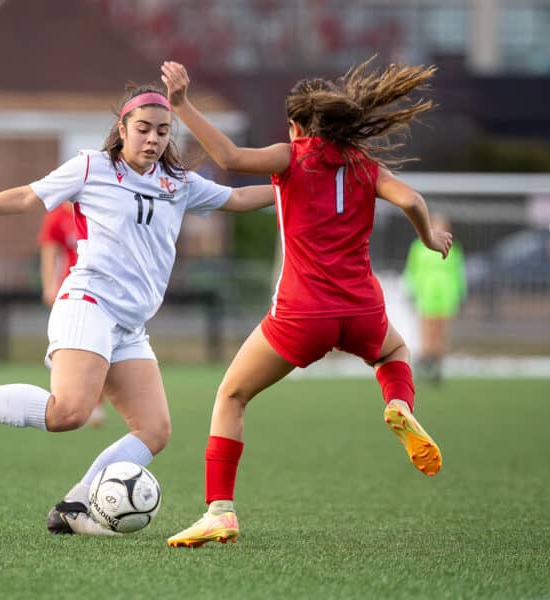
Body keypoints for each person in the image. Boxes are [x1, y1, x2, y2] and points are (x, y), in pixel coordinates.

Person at [0, 85, 275, 536]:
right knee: (69, 413)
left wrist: (295, 186)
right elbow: (25, 197)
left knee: (154, 430)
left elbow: (238, 199)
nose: (153, 139)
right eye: (143, 129)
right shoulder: (93, 167)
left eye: (162, 131)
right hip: (88, 303)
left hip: (130, 325)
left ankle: (74, 504)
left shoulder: (178, 183)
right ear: (122, 129)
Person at [160, 59, 452, 548]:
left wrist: (182, 104)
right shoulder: (364, 165)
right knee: (394, 353)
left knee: (231, 396)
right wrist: (427, 237)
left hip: (302, 315)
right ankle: (398, 404)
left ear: (296, 125)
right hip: (361, 311)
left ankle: (219, 511)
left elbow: (229, 156)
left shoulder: (290, 156)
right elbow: (412, 201)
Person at [38, 204, 106, 427]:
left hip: (102, 293)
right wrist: (49, 286)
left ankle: (95, 402)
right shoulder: (57, 216)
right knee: (68, 348)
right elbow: (49, 253)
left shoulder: (97, 207)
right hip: (71, 293)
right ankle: (65, 397)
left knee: (101, 346)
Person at [403, 213, 466, 384]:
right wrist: (411, 289)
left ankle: (437, 365)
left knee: (441, 332)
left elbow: (459, 273)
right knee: (427, 330)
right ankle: (426, 362)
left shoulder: (454, 249)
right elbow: (411, 270)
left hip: (446, 295)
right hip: (426, 294)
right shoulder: (419, 247)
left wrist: (461, 293)